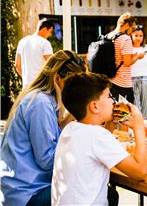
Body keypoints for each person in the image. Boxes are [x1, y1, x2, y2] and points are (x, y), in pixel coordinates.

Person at [1, 50, 86, 206]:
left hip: (23, 186)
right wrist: (81, 152)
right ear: (57, 79)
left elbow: (54, 135)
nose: (76, 90)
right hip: (26, 193)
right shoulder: (40, 103)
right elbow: (46, 160)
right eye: (72, 84)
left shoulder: (43, 98)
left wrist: (74, 112)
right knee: (97, 191)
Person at [51, 72, 147, 205]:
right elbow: (140, 173)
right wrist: (139, 127)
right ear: (94, 106)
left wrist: (111, 123)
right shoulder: (98, 136)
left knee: (112, 195)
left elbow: (96, 147)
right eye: (109, 97)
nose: (113, 102)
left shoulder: (70, 128)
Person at [107, 12, 144, 104]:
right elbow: (127, 63)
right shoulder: (125, 39)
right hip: (122, 83)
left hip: (109, 81)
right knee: (126, 115)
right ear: (127, 25)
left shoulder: (109, 36)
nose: (132, 31)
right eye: (132, 28)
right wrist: (137, 57)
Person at [15, 18, 54, 88]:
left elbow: (17, 65)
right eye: (50, 31)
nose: (50, 35)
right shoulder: (45, 43)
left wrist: (26, 79)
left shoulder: (22, 41)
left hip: (26, 87)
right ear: (45, 29)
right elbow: (52, 65)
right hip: (40, 86)